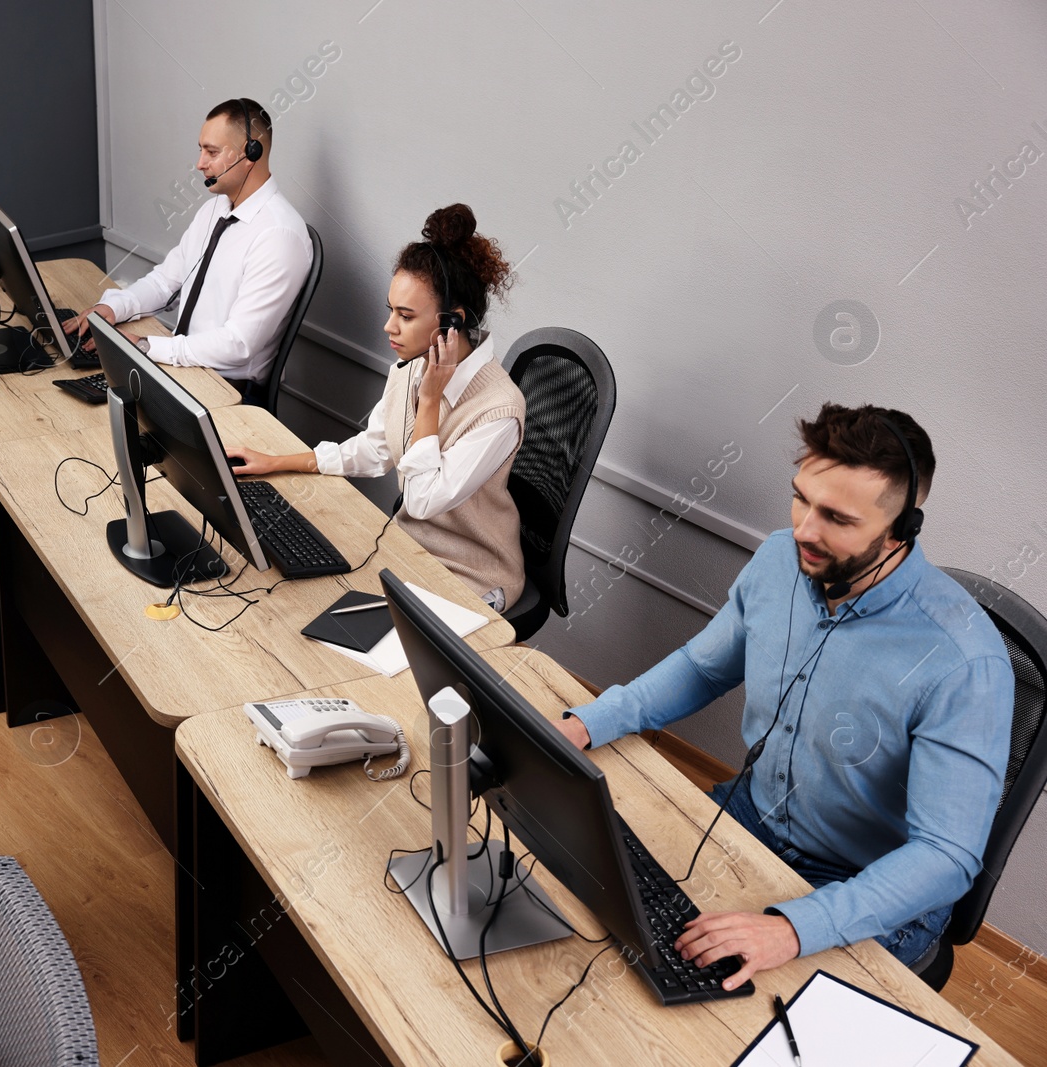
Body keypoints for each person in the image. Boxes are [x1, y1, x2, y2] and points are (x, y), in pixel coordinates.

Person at [554, 403, 1013, 989]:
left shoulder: (963, 662)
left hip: (862, 881)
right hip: (753, 813)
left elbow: (947, 856)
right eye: (801, 498)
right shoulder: (778, 558)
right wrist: (588, 723)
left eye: (837, 518)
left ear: (903, 529)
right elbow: (702, 668)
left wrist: (792, 929)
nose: (803, 530)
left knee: (737, 1012)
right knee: (600, 905)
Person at [226, 204, 526, 611]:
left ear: (451, 323)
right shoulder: (410, 369)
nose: (389, 326)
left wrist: (431, 400)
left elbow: (420, 500)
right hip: (408, 553)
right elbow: (375, 449)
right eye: (391, 310)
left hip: (470, 579)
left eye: (405, 315)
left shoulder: (499, 409)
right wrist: (278, 461)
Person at [62, 98, 313, 402]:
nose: (200, 164)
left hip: (226, 390)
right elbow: (165, 281)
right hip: (186, 368)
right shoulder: (213, 210)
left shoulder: (279, 235)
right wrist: (113, 308)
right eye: (201, 150)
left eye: (212, 152)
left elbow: (238, 344)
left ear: (251, 153)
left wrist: (145, 346)